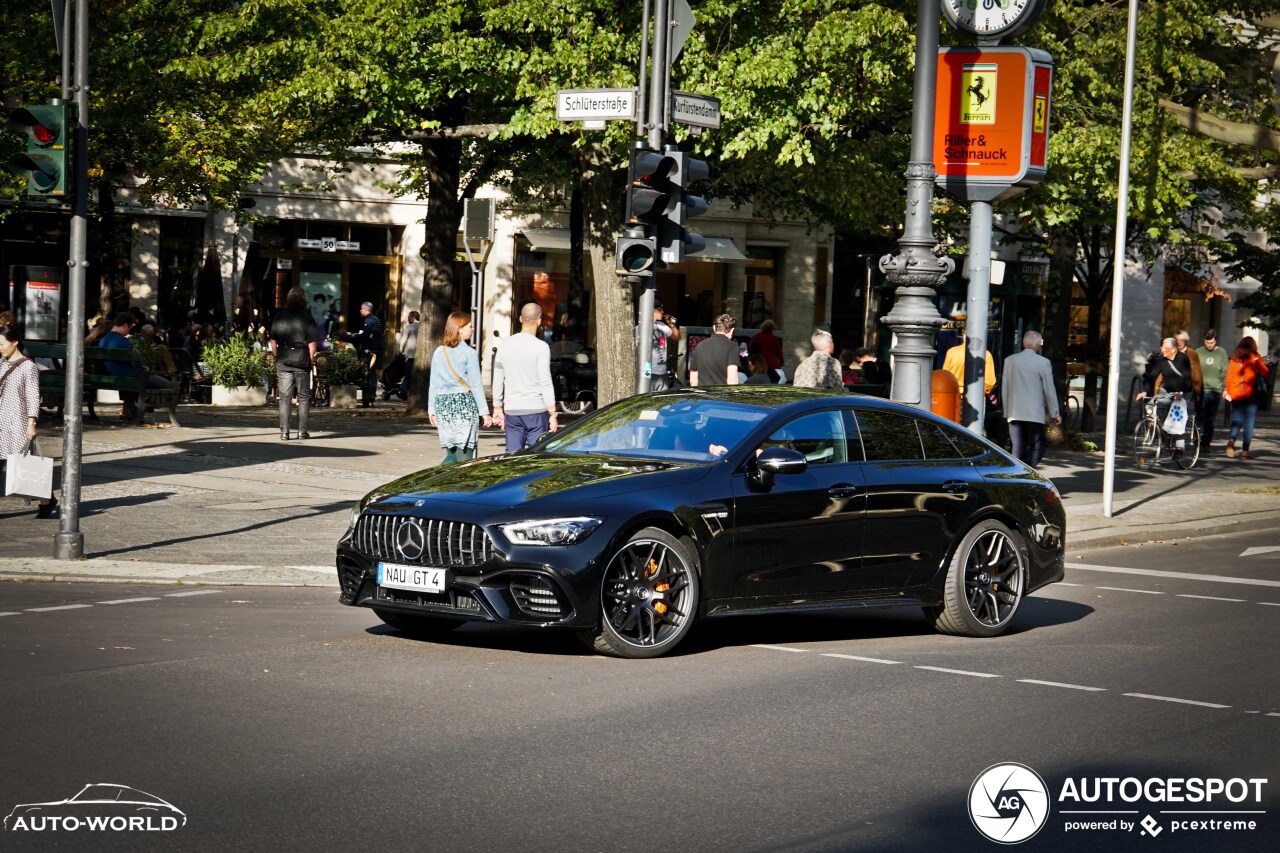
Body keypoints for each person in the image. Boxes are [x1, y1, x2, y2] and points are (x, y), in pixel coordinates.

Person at [0, 324, 57, 518]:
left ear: (14, 342)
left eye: (2, 344)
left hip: (17, 422)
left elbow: (33, 396)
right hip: (0, 420)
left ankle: (47, 499)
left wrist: (31, 423)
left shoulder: (28, 367)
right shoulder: (1, 363)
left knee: (27, 465)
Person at [428, 311, 492, 464]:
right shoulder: (469, 353)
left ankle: (435, 482)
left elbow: (434, 384)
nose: (473, 329)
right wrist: (484, 412)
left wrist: (432, 409)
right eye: (470, 326)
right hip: (463, 405)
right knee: (464, 457)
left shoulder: (439, 351)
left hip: (443, 405)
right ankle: (437, 483)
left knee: (452, 454)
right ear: (460, 329)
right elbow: (476, 385)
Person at [493, 303, 558, 452]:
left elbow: (498, 378)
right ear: (539, 321)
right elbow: (545, 380)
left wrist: (497, 407)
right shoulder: (541, 347)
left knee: (512, 457)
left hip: (512, 410)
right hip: (535, 409)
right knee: (536, 457)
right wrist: (552, 412)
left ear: (521, 319)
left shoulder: (504, 345)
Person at [1002, 330, 1061, 467]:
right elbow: (1049, 389)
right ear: (1038, 346)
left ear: (1023, 343)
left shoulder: (1009, 360)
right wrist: (1054, 413)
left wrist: (1006, 411)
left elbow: (1005, 388)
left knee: (1017, 447)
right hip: (1034, 413)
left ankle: (1017, 473)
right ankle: (1028, 469)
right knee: (1038, 444)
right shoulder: (1043, 362)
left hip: (1014, 412)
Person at [99, 312, 173, 421]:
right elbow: (137, 361)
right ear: (124, 326)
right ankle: (147, 404)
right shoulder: (124, 342)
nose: (130, 331)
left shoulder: (102, 340)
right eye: (130, 327)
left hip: (113, 377)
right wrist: (144, 367)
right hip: (133, 378)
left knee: (132, 391)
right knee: (170, 386)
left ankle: (136, 410)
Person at [269, 287, 320, 441]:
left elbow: (273, 341)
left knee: (285, 397)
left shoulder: (280, 316)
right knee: (304, 397)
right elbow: (312, 345)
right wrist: (310, 362)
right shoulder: (308, 318)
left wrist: (277, 355)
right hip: (301, 361)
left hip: (284, 360)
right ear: (304, 301)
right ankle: (302, 432)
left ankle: (285, 432)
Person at [1224, 335, 1269, 460]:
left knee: (1237, 419)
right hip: (1251, 395)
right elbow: (1265, 372)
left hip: (1236, 394)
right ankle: (1245, 452)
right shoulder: (1255, 356)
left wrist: (1228, 391)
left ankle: (1232, 439)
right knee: (1249, 422)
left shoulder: (1234, 359)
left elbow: (1229, 377)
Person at [1195, 329, 1229, 450]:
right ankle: (1197, 438)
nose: (1210, 345)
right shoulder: (1198, 352)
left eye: (1212, 342)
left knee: (1210, 418)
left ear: (1216, 341)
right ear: (1204, 340)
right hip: (1201, 389)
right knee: (1200, 415)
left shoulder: (1222, 353)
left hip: (1215, 390)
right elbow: (1193, 370)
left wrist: (1225, 388)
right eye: (1207, 342)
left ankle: (1206, 442)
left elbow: (1225, 372)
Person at [638, 300, 680, 390]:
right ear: (651, 310)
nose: (663, 312)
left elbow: (677, 337)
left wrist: (671, 325)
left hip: (662, 372)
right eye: (660, 309)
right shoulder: (640, 328)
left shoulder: (662, 325)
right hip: (647, 371)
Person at [349, 301, 384, 408]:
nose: (360, 310)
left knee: (366, 373)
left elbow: (364, 335)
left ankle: (367, 396)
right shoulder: (375, 319)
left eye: (361, 309)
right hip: (375, 349)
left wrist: (353, 336)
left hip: (369, 349)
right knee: (371, 373)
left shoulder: (369, 321)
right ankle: (370, 395)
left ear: (365, 309)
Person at [689, 314, 740, 386]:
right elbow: (732, 379)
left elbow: (693, 378)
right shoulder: (732, 346)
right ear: (732, 330)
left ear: (713, 328)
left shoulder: (699, 345)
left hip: (702, 394)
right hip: (721, 395)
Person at [942, 331, 996, 395]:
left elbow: (945, 377)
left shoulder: (951, 352)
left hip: (955, 395)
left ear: (964, 337)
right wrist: (979, 393)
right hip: (975, 396)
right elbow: (990, 383)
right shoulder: (986, 354)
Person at [389, 310, 419, 402]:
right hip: (419, 356)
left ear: (413, 317)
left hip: (410, 355)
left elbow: (403, 340)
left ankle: (403, 391)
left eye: (409, 317)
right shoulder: (423, 326)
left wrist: (400, 351)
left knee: (408, 374)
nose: (408, 319)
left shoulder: (409, 327)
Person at [748, 319, 785, 384]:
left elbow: (749, 347)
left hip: (759, 364)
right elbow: (779, 353)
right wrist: (781, 362)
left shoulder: (757, 337)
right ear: (772, 328)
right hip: (772, 364)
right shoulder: (774, 339)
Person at [1174, 329, 1204, 403]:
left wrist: (1197, 392)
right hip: (1171, 389)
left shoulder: (1192, 354)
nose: (1179, 342)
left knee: (1182, 412)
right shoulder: (1170, 351)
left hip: (1187, 390)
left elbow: (1197, 374)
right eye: (1177, 340)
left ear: (1186, 341)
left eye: (1182, 340)